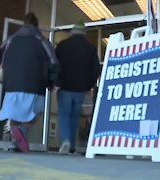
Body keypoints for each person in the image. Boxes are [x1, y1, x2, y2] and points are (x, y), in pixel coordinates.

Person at [0, 12, 60, 152]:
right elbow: (53, 61)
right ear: (36, 25)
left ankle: (15, 143)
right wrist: (53, 81)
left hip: (12, 83)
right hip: (34, 84)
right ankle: (23, 130)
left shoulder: (10, 40)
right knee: (36, 112)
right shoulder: (41, 40)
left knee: (14, 114)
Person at [55, 20, 101, 154]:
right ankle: (72, 146)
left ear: (72, 32)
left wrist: (55, 81)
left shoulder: (62, 46)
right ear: (84, 34)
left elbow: (54, 64)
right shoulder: (90, 48)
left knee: (64, 115)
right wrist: (89, 85)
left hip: (64, 87)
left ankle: (65, 141)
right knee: (74, 116)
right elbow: (95, 69)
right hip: (80, 89)